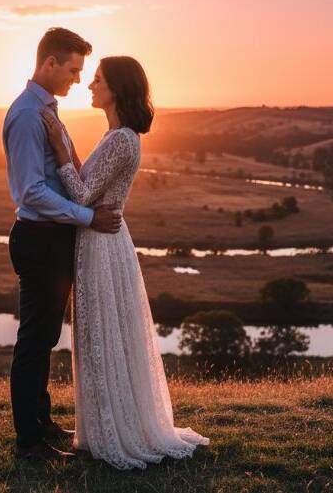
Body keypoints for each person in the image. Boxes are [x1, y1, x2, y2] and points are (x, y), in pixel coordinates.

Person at [40, 55, 209, 470]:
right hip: (101, 240)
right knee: (102, 332)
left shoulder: (121, 139)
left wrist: (59, 148)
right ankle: (104, 425)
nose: (90, 85)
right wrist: (70, 150)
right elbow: (90, 184)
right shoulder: (116, 136)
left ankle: (115, 431)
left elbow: (82, 195)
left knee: (102, 332)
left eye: (97, 79)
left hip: (102, 244)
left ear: (117, 88)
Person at [2, 27, 123, 462]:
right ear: (50, 63)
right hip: (39, 240)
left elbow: (64, 173)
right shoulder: (27, 116)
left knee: (46, 336)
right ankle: (28, 442)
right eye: (73, 70)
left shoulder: (46, 111)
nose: (78, 79)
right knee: (34, 340)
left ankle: (42, 422)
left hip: (53, 239)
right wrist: (89, 218)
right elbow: (31, 192)